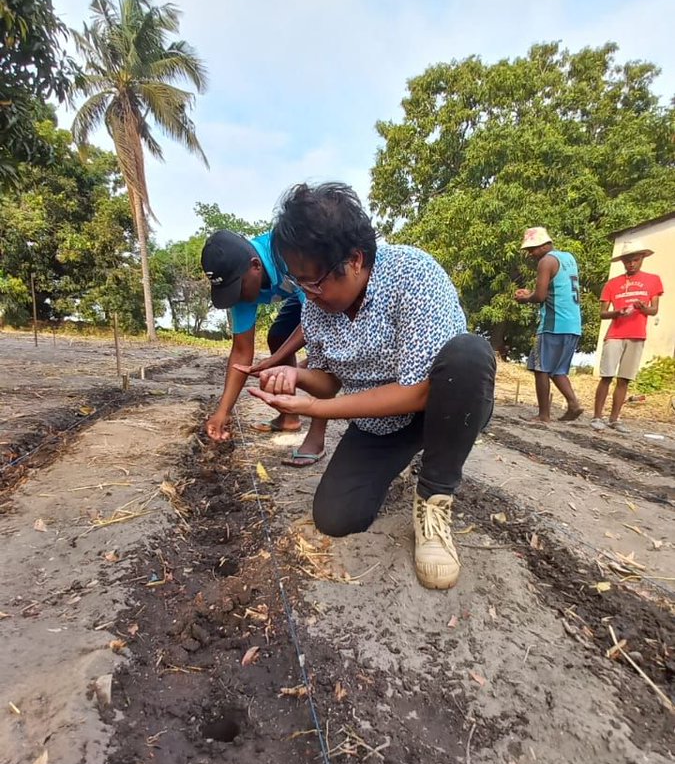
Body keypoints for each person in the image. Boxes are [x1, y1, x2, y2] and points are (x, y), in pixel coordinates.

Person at [248, 183, 496, 591]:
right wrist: (298, 379)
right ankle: (397, 463)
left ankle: (434, 497)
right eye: (300, 283)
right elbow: (328, 383)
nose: (309, 294)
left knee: (469, 355)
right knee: (336, 517)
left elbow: (417, 391)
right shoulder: (318, 306)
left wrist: (312, 410)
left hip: (442, 406)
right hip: (380, 424)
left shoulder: (413, 274)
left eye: (316, 282)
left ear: (355, 259)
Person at [201, 228, 326, 465]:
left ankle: (317, 437)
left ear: (256, 265)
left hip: (321, 292)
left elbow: (318, 322)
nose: (236, 297)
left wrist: (284, 362)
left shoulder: (289, 253)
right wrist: (223, 411)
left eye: (238, 288)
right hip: (300, 297)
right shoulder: (242, 286)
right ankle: (289, 417)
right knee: (278, 337)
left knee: (319, 350)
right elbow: (241, 350)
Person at [591, 241, 663, 434]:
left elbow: (654, 309)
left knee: (624, 379)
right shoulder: (613, 283)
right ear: (622, 262)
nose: (631, 264)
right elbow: (602, 313)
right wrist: (617, 312)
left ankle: (614, 418)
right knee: (606, 375)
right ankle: (597, 416)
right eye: (627, 261)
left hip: (637, 334)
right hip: (615, 333)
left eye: (635, 260)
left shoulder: (653, 280)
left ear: (642, 259)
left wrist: (642, 307)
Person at [515, 227, 583, 424]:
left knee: (541, 368)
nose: (531, 254)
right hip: (573, 323)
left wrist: (525, 298)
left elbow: (541, 296)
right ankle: (574, 404)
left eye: (533, 249)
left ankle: (543, 415)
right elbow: (557, 288)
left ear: (545, 245)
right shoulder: (568, 258)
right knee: (558, 369)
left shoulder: (546, 261)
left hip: (554, 323)